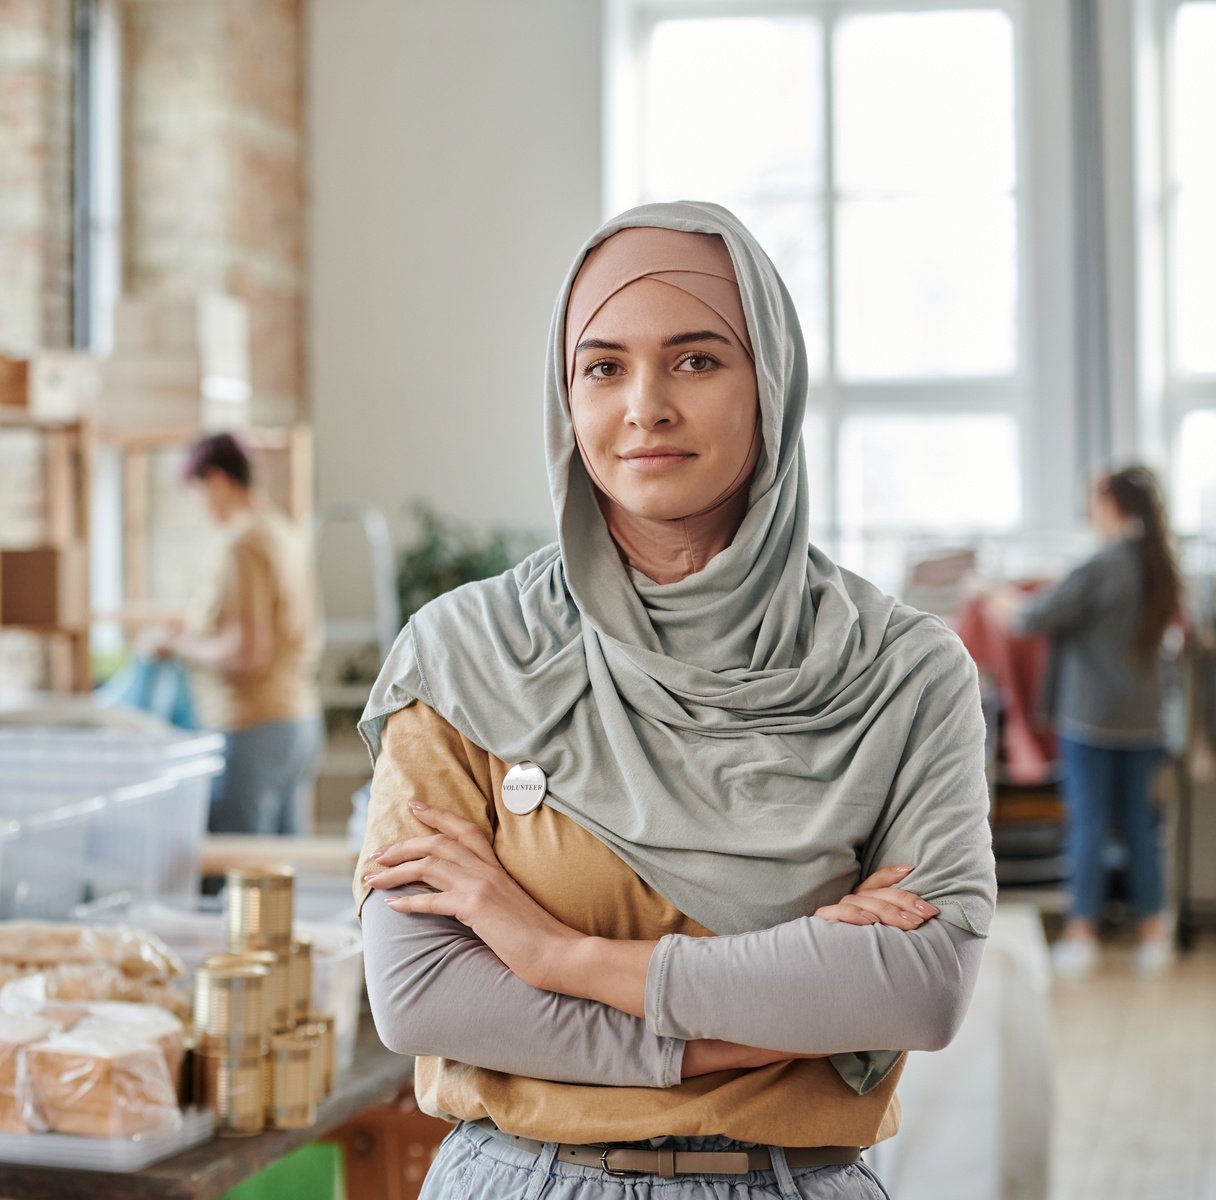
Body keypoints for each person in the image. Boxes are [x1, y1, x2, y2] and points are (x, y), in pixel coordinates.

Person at [353, 203, 995, 1198]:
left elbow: (918, 988)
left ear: (769, 386)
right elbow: (423, 992)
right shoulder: (465, 656)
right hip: (521, 1178)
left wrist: (554, 952)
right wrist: (724, 1039)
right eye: (602, 367)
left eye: (696, 360)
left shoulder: (905, 671)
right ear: (566, 396)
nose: (644, 406)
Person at [1009, 466, 1180, 978]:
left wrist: (993, 596)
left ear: (1109, 503)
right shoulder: (1161, 566)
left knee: (1086, 826)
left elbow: (1030, 618)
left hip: (1092, 722)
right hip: (1146, 722)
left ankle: (1081, 934)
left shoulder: (1103, 565)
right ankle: (1154, 935)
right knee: (1139, 828)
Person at [150, 433, 323, 835]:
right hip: (295, 721)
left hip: (252, 725)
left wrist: (177, 644)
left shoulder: (242, 544)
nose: (201, 504)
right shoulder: (281, 531)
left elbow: (248, 653)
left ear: (217, 481)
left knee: (240, 876)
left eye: (198, 491)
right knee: (278, 874)